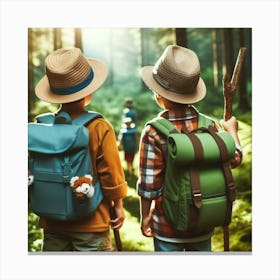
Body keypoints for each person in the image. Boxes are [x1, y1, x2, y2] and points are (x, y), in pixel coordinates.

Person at [137, 45, 242, 252]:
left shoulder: (153, 132)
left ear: (159, 94)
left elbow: (150, 186)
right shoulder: (209, 126)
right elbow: (235, 158)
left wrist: (145, 216)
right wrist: (232, 131)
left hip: (167, 228)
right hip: (204, 222)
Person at [33, 47, 127, 251]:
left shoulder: (42, 128)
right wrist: (118, 206)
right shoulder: (99, 126)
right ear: (89, 92)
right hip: (92, 222)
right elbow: (111, 174)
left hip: (52, 220)